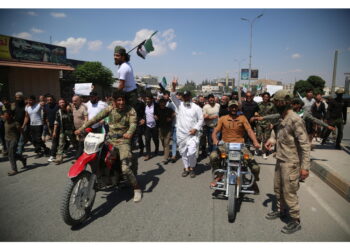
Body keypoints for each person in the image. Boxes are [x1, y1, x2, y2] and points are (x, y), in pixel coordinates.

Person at [75, 90, 142, 203]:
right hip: (109, 140)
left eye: (123, 100)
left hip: (123, 141)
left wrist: (129, 132)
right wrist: (81, 129)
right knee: (98, 159)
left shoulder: (130, 110)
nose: (121, 102)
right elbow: (94, 119)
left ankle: (136, 188)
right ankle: (104, 179)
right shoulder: (109, 109)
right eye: (119, 100)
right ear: (114, 100)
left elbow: (133, 123)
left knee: (125, 168)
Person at [264, 90, 310, 234]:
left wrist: (305, 168)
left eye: (276, 102)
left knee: (289, 192)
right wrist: (272, 140)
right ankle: (281, 210)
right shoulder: (281, 117)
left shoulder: (295, 119)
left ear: (283, 103)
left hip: (291, 162)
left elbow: (305, 144)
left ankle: (295, 220)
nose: (275, 105)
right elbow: (277, 133)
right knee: (278, 188)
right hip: (280, 158)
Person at [209, 100, 261, 192]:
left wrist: (255, 142)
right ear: (228, 108)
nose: (233, 109)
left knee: (255, 167)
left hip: (241, 146)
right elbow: (215, 131)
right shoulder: (223, 118)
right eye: (232, 107)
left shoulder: (243, 118)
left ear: (238, 108)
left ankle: (254, 181)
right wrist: (215, 140)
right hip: (225, 145)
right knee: (213, 156)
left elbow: (249, 131)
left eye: (235, 107)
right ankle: (219, 175)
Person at [170, 79, 204, 178]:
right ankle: (186, 168)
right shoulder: (179, 105)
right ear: (182, 97)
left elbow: (201, 119)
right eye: (184, 96)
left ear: (190, 97)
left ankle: (192, 167)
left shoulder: (196, 107)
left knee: (192, 152)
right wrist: (174, 86)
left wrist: (196, 128)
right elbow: (172, 96)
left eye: (187, 96)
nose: (185, 98)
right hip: (181, 134)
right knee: (183, 153)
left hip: (192, 134)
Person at [52, 99, 78, 165]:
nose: (61, 104)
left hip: (71, 130)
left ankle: (79, 155)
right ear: (58, 104)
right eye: (60, 103)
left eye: (62, 102)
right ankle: (59, 159)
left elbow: (75, 115)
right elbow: (56, 122)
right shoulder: (58, 112)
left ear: (65, 102)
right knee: (61, 144)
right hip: (63, 130)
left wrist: (70, 108)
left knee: (74, 143)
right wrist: (54, 131)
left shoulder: (70, 109)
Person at [3, 110, 27, 176]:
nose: (5, 116)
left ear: (11, 116)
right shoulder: (5, 121)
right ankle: (22, 158)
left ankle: (14, 170)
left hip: (14, 139)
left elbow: (21, 131)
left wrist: (24, 139)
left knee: (11, 155)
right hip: (7, 139)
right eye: (4, 115)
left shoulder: (15, 123)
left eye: (6, 115)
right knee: (12, 153)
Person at [255, 92, 276, 159]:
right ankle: (257, 149)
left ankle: (264, 152)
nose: (266, 98)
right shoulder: (258, 104)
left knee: (266, 138)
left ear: (269, 98)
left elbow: (274, 115)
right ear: (262, 97)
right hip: (259, 123)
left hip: (268, 123)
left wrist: (272, 123)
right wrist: (256, 115)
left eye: (267, 97)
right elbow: (255, 112)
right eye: (264, 97)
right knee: (258, 137)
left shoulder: (272, 105)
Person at [155, 98, 175, 164]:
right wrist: (155, 117)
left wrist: (171, 118)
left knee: (166, 143)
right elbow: (154, 115)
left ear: (165, 104)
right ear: (159, 104)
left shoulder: (168, 110)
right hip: (160, 128)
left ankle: (165, 158)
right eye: (161, 104)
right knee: (163, 142)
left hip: (168, 128)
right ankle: (167, 153)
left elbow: (174, 113)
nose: (162, 105)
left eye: (163, 104)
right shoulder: (157, 110)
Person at [71, 95, 88, 159]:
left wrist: (83, 128)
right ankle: (82, 156)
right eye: (73, 101)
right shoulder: (74, 107)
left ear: (79, 100)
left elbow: (86, 118)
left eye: (75, 101)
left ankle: (78, 158)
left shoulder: (83, 108)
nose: (74, 102)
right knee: (79, 143)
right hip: (76, 130)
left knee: (81, 143)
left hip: (82, 130)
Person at [143, 93, 159, 161]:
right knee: (147, 139)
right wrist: (143, 119)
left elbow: (159, 114)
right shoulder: (145, 106)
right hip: (148, 126)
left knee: (155, 139)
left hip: (155, 125)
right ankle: (148, 154)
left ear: (152, 99)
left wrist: (157, 117)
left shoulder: (156, 106)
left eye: (148, 99)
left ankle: (156, 148)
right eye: (146, 99)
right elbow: (144, 115)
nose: (147, 100)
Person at [163, 90, 177, 163]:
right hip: (166, 126)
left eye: (166, 95)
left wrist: (170, 118)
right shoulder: (163, 103)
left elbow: (175, 113)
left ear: (169, 96)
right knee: (166, 141)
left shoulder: (172, 103)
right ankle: (167, 155)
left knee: (174, 140)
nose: (164, 96)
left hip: (174, 124)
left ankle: (173, 155)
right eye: (163, 95)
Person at [44, 95, 59, 162]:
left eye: (50, 99)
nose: (49, 101)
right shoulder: (46, 106)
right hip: (51, 126)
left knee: (54, 141)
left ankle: (52, 155)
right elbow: (46, 117)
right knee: (55, 140)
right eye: (48, 100)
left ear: (53, 100)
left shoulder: (57, 106)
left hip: (59, 125)